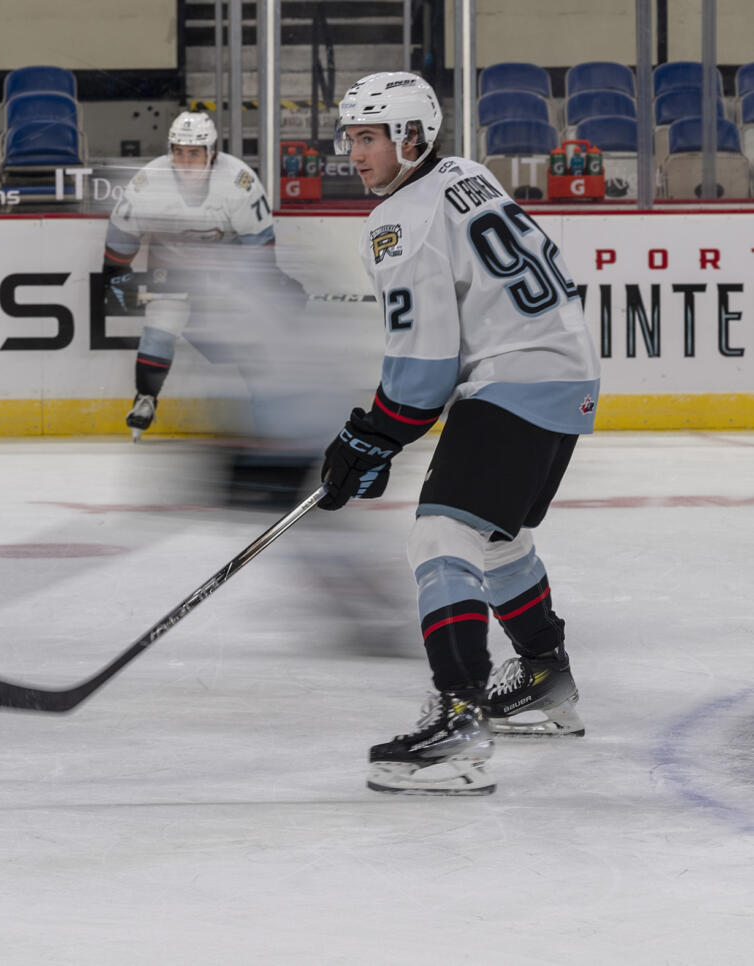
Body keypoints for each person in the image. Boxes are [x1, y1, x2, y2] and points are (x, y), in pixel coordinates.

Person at [318, 72, 601, 795]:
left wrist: (369, 436)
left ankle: (459, 720)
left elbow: (423, 369)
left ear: (411, 136)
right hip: (565, 371)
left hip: (517, 373)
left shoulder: (395, 223)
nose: (355, 154)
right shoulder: (465, 174)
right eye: (351, 137)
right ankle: (543, 677)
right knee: (494, 534)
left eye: (369, 137)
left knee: (441, 535)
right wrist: (380, 436)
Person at [99, 111, 281, 442]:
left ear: (211, 152)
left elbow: (259, 246)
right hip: (171, 272)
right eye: (179, 152)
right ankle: (146, 399)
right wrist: (116, 276)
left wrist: (257, 285)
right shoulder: (149, 181)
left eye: (194, 153)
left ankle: (265, 400)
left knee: (247, 335)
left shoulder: (240, 181)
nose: (185, 161)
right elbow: (121, 236)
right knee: (160, 327)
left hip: (227, 272)